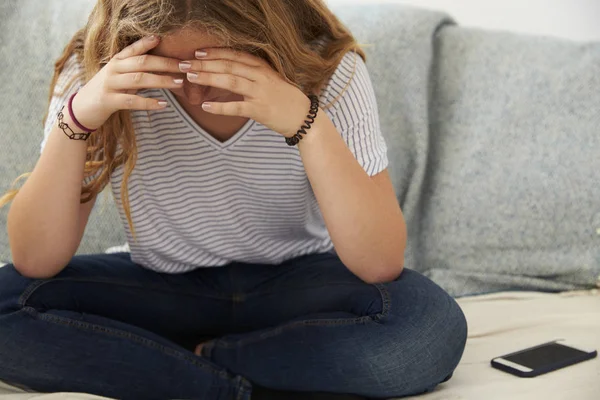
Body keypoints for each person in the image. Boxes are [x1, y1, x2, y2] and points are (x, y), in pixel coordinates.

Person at [0, 0, 467, 399]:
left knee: (428, 328)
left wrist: (306, 122)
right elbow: (35, 259)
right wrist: (77, 119)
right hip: (162, 286)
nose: (195, 91)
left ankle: (205, 363)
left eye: (216, 66)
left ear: (264, 40)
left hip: (299, 286)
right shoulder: (100, 74)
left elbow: (380, 262)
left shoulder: (328, 72)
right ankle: (233, 384)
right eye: (174, 70)